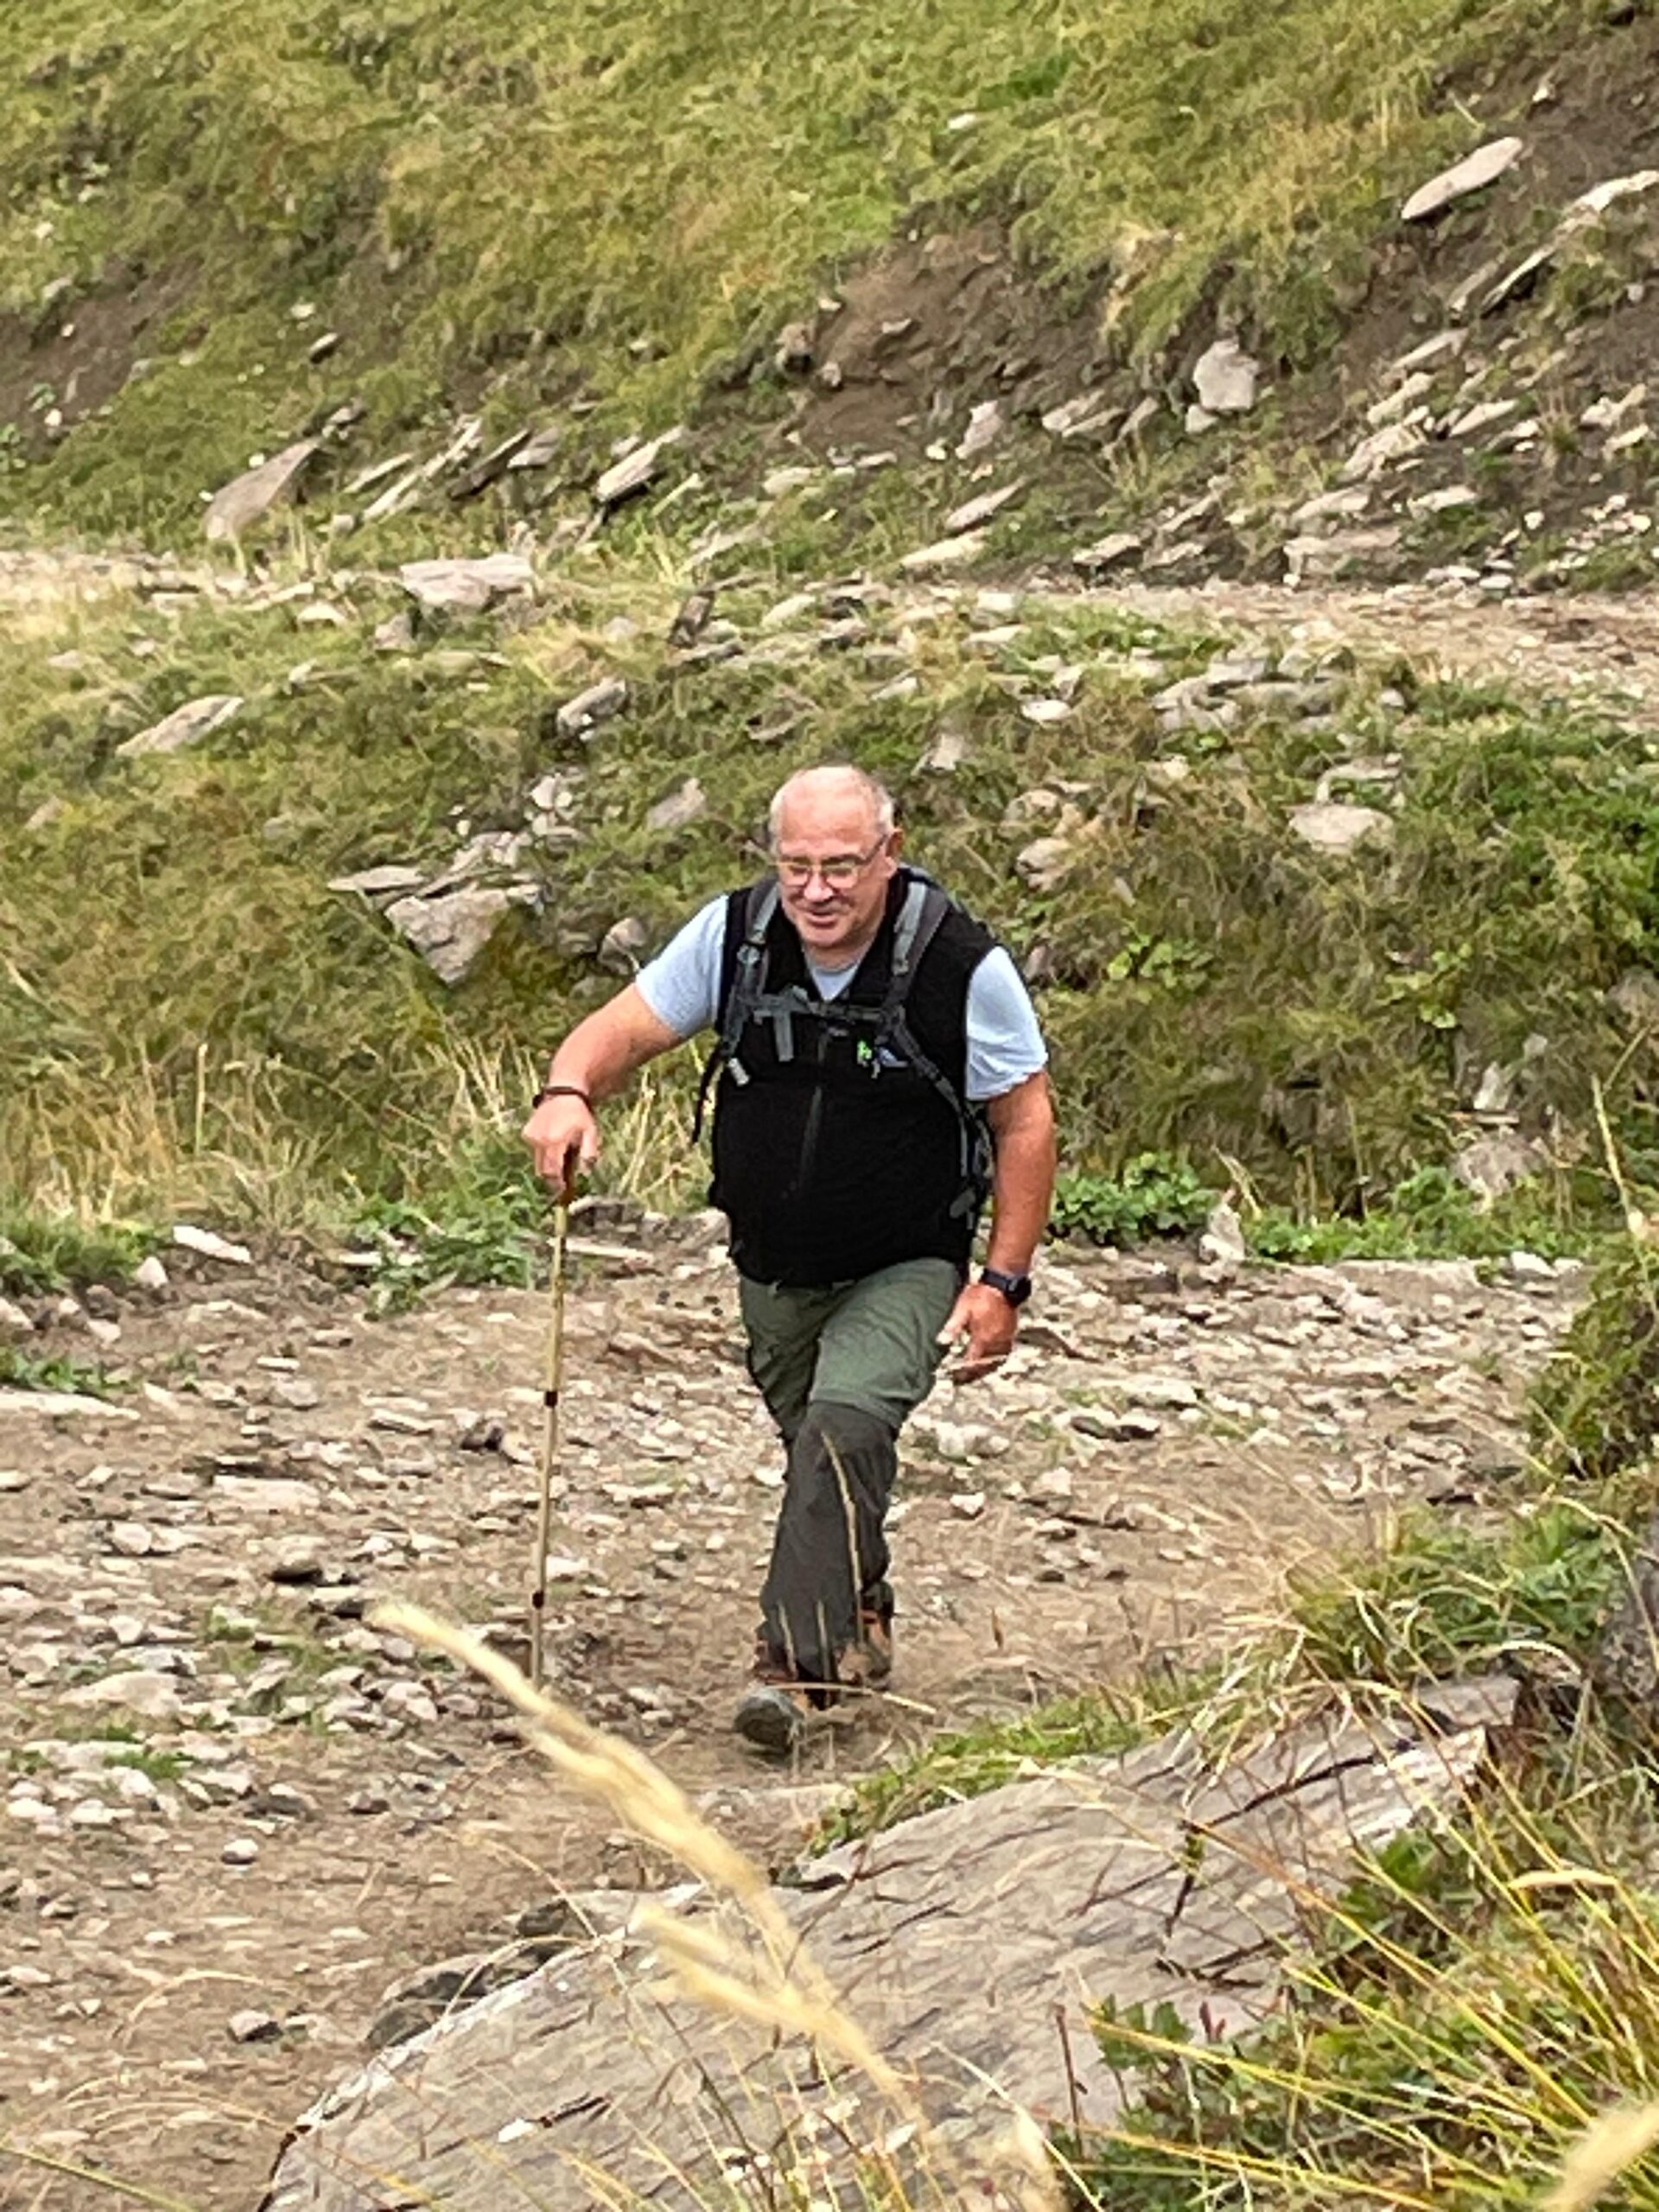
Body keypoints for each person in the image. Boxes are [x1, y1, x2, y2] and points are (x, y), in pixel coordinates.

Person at [523, 764, 1057, 1753]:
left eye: (842, 866)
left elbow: (1024, 1120)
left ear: (890, 854)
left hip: (908, 1258)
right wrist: (569, 1093)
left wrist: (1002, 1281)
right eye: (796, 865)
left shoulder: (959, 962)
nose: (816, 890)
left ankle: (794, 1670)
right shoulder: (735, 935)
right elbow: (620, 1031)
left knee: (844, 1428)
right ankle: (859, 1603)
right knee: (818, 1447)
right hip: (771, 1266)